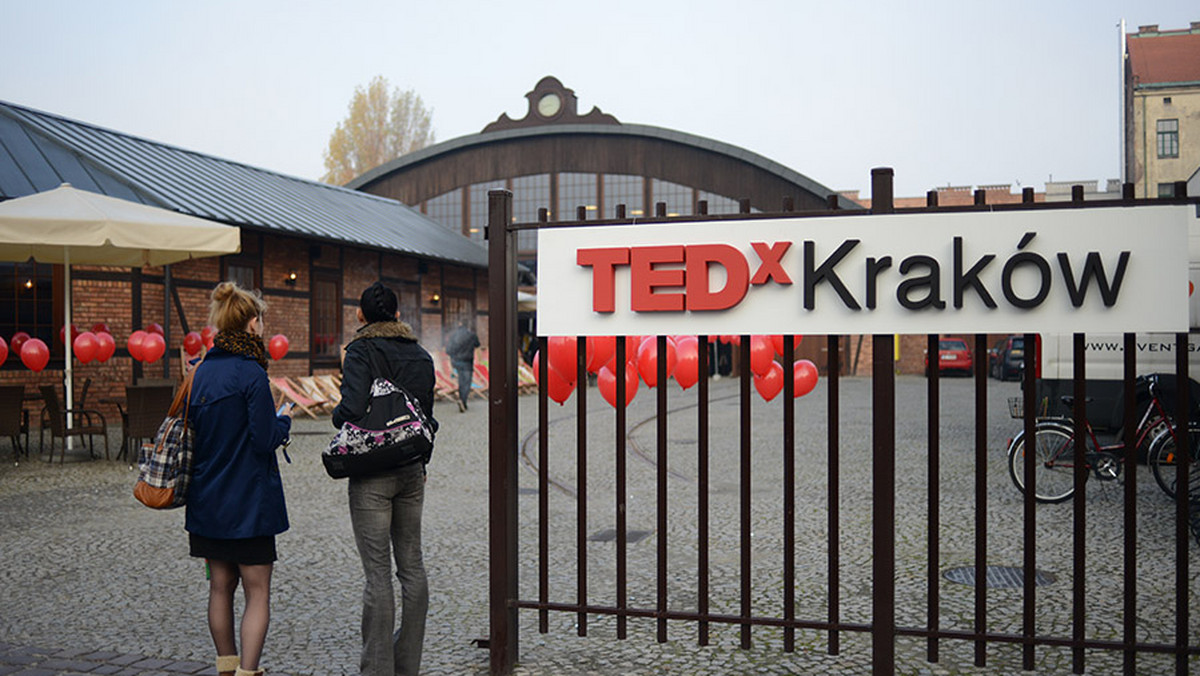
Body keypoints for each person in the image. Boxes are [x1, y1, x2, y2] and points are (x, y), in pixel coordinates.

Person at [185, 281, 293, 676]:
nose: (263, 325)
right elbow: (263, 439)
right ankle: (249, 672)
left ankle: (226, 668)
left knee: (219, 588)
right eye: (261, 318)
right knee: (257, 591)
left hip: (208, 499)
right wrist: (284, 423)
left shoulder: (198, 372)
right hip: (250, 503)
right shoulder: (251, 373)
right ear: (251, 323)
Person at [333, 281, 437, 676]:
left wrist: (337, 417)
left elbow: (352, 408)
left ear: (360, 316)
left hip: (372, 474)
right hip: (411, 471)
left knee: (377, 572)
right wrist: (422, 460)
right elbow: (427, 416)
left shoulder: (360, 350)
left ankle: (377, 669)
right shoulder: (421, 355)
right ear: (397, 315)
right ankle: (406, 662)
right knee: (412, 566)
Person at [445, 320, 480, 412]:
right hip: (467, 362)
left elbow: (448, 350)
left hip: (456, 362)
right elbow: (477, 344)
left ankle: (462, 400)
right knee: (466, 382)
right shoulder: (471, 335)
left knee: (461, 381)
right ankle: (463, 400)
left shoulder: (453, 335)